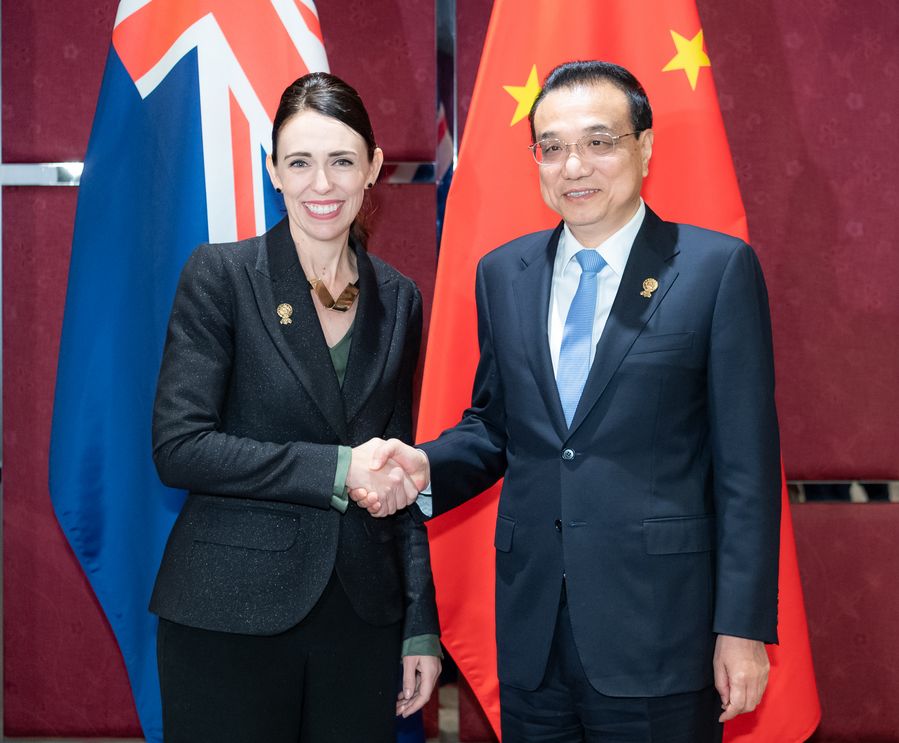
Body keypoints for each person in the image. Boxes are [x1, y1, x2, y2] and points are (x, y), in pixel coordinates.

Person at [357, 61, 781, 742]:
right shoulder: (503, 273)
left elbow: (747, 470)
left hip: (660, 631)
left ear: (644, 147)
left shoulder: (714, 269)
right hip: (534, 634)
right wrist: (424, 465)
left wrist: (741, 628)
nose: (573, 165)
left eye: (598, 141)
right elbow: (496, 427)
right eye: (551, 147)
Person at [149, 72, 441, 743]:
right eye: (300, 162)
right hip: (228, 612)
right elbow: (179, 446)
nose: (321, 183)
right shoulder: (220, 276)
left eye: (342, 160)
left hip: (362, 620)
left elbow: (400, 468)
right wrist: (337, 469)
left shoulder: (399, 298)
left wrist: (419, 623)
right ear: (273, 169)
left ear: (373, 167)